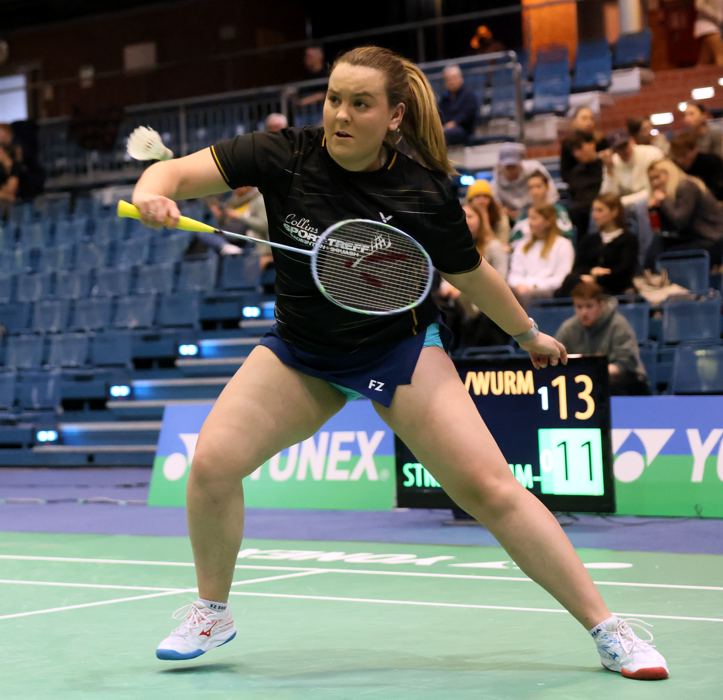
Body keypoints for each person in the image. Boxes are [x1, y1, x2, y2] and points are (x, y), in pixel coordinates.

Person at [131, 44, 668, 680]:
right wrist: (154, 196)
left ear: (393, 116)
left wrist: (528, 334)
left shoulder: (422, 191)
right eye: (334, 98)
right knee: (214, 464)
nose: (341, 114)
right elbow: (169, 177)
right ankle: (211, 610)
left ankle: (609, 629)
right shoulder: (281, 155)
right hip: (304, 352)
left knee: (490, 489)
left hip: (400, 349)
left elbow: (470, 274)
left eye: (361, 103)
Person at [556, 281, 650, 395]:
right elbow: (556, 360)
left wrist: (595, 371)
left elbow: (626, 364)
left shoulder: (618, 325)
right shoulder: (568, 329)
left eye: (589, 306)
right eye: (579, 307)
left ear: (600, 304)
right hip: (584, 382)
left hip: (624, 382)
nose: (584, 312)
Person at [556, 193, 638, 297]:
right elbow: (578, 268)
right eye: (594, 210)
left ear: (614, 212)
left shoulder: (628, 239)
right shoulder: (589, 240)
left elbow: (625, 270)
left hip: (614, 287)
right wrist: (591, 272)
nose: (595, 215)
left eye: (600, 210)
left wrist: (598, 278)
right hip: (585, 284)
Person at [646, 158, 723, 267]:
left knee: (661, 253)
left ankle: (652, 274)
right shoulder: (671, 194)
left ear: (669, 173)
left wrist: (664, 201)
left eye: (658, 177)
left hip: (713, 239)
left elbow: (680, 222)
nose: (655, 183)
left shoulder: (686, 186)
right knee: (658, 242)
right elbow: (661, 229)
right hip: (695, 238)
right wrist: (654, 209)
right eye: (651, 179)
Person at [507, 204, 575, 307]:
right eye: (529, 218)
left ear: (548, 222)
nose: (530, 223)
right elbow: (514, 274)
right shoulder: (523, 244)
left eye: (534, 218)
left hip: (549, 292)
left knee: (524, 297)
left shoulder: (563, 245)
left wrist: (533, 286)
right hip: (520, 290)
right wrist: (519, 286)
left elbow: (562, 278)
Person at [492, 142, 558, 221]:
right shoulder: (496, 181)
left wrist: (541, 211)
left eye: (513, 166)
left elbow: (552, 194)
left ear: (520, 162)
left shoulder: (534, 169)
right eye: (508, 167)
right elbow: (496, 206)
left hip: (538, 211)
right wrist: (507, 212)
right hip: (511, 218)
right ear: (501, 165)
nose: (511, 171)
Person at [600, 130, 664, 207]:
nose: (624, 150)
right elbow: (608, 197)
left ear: (632, 141)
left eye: (625, 145)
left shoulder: (651, 153)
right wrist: (609, 171)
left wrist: (622, 201)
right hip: (628, 208)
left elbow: (659, 187)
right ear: (614, 150)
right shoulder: (612, 162)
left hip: (654, 203)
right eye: (619, 147)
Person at [510, 170, 574, 246]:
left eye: (538, 186)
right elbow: (513, 242)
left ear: (547, 187)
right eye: (531, 187)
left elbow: (567, 234)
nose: (535, 191)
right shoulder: (524, 215)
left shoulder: (558, 210)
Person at [560, 132, 604, 239]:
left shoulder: (605, 166)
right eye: (574, 151)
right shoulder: (575, 173)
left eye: (580, 148)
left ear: (592, 144)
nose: (577, 154)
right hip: (580, 219)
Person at [559, 106, 608, 185]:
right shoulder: (568, 143)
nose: (589, 122)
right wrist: (585, 161)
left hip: (601, 182)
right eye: (584, 118)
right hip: (579, 185)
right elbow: (565, 174)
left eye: (591, 119)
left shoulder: (601, 140)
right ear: (575, 121)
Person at [670, 130, 723, 200]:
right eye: (677, 156)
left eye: (684, 155)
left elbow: (718, 189)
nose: (680, 161)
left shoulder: (712, 162)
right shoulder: (674, 166)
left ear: (695, 149)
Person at [438, 64, 479, 146]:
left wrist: (453, 123)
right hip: (446, 129)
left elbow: (468, 115)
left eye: (454, 78)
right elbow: (440, 115)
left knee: (447, 133)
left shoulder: (469, 95)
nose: (451, 82)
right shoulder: (444, 99)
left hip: (464, 131)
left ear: (461, 78)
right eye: (448, 79)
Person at [464, 178, 510, 247]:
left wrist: (484, 218)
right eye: (477, 196)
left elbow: (501, 244)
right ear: (470, 200)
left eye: (485, 196)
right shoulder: (465, 215)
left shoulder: (500, 217)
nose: (482, 200)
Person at [695, 0, 723, 66]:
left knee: (705, 60)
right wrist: (718, 16)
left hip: (720, 25)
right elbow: (699, 5)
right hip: (708, 23)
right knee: (721, 54)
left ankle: (697, 74)